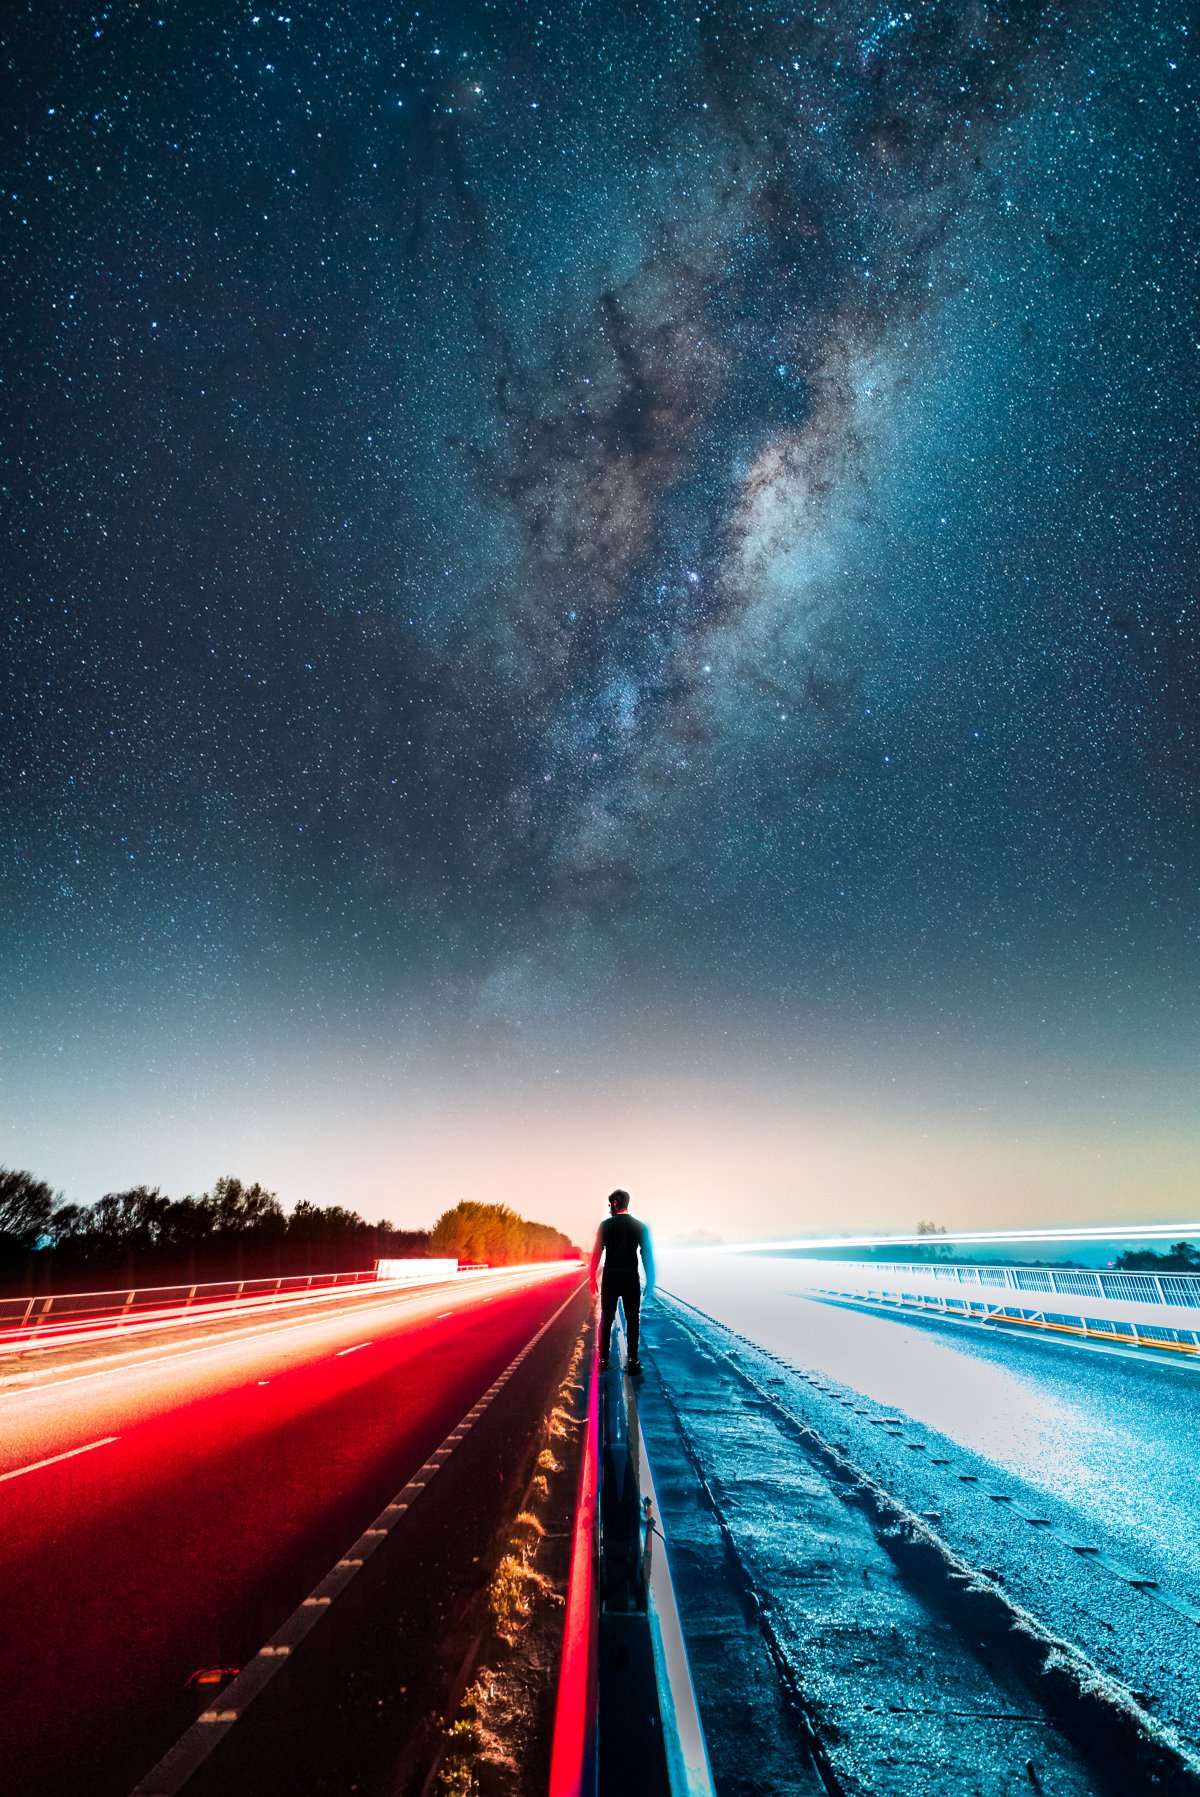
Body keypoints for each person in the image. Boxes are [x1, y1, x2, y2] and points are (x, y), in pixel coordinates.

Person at [589, 1187, 655, 1376]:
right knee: (633, 1319)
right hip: (630, 1279)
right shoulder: (639, 1226)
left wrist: (592, 1277)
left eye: (610, 1204)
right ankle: (633, 1360)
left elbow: (597, 1253)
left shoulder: (605, 1226)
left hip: (610, 1278)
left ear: (616, 1204)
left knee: (607, 1318)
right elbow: (646, 1255)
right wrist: (649, 1282)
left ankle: (603, 1360)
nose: (609, 1208)